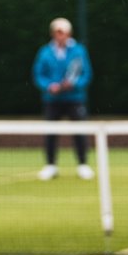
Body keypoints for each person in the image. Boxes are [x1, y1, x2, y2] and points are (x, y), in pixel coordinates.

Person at [33, 17, 94, 181]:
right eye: (58, 32)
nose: (61, 36)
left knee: (80, 132)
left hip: (75, 98)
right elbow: (39, 75)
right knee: (50, 133)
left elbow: (86, 74)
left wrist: (73, 84)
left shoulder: (79, 51)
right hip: (52, 100)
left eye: (64, 32)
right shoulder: (45, 52)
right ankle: (51, 166)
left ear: (68, 33)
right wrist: (49, 86)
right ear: (53, 33)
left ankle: (83, 165)